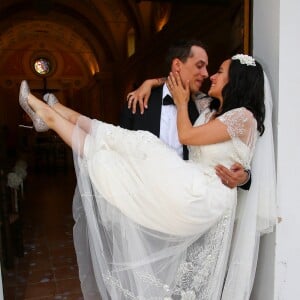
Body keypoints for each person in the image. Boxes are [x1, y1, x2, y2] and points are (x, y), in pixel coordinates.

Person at [18, 53, 276, 299]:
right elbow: (179, 81)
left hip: (205, 194)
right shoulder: (211, 109)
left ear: (238, 80)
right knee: (135, 143)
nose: (211, 76)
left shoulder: (243, 118)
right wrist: (150, 83)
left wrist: (182, 104)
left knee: (140, 149)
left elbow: (186, 136)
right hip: (192, 182)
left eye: (220, 71)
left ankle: (51, 118)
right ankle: (59, 113)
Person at [120, 39, 251, 190]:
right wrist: (152, 82)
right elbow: (121, 158)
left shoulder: (206, 108)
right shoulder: (138, 102)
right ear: (177, 65)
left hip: (190, 201)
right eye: (199, 66)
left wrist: (244, 177)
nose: (206, 74)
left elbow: (233, 151)